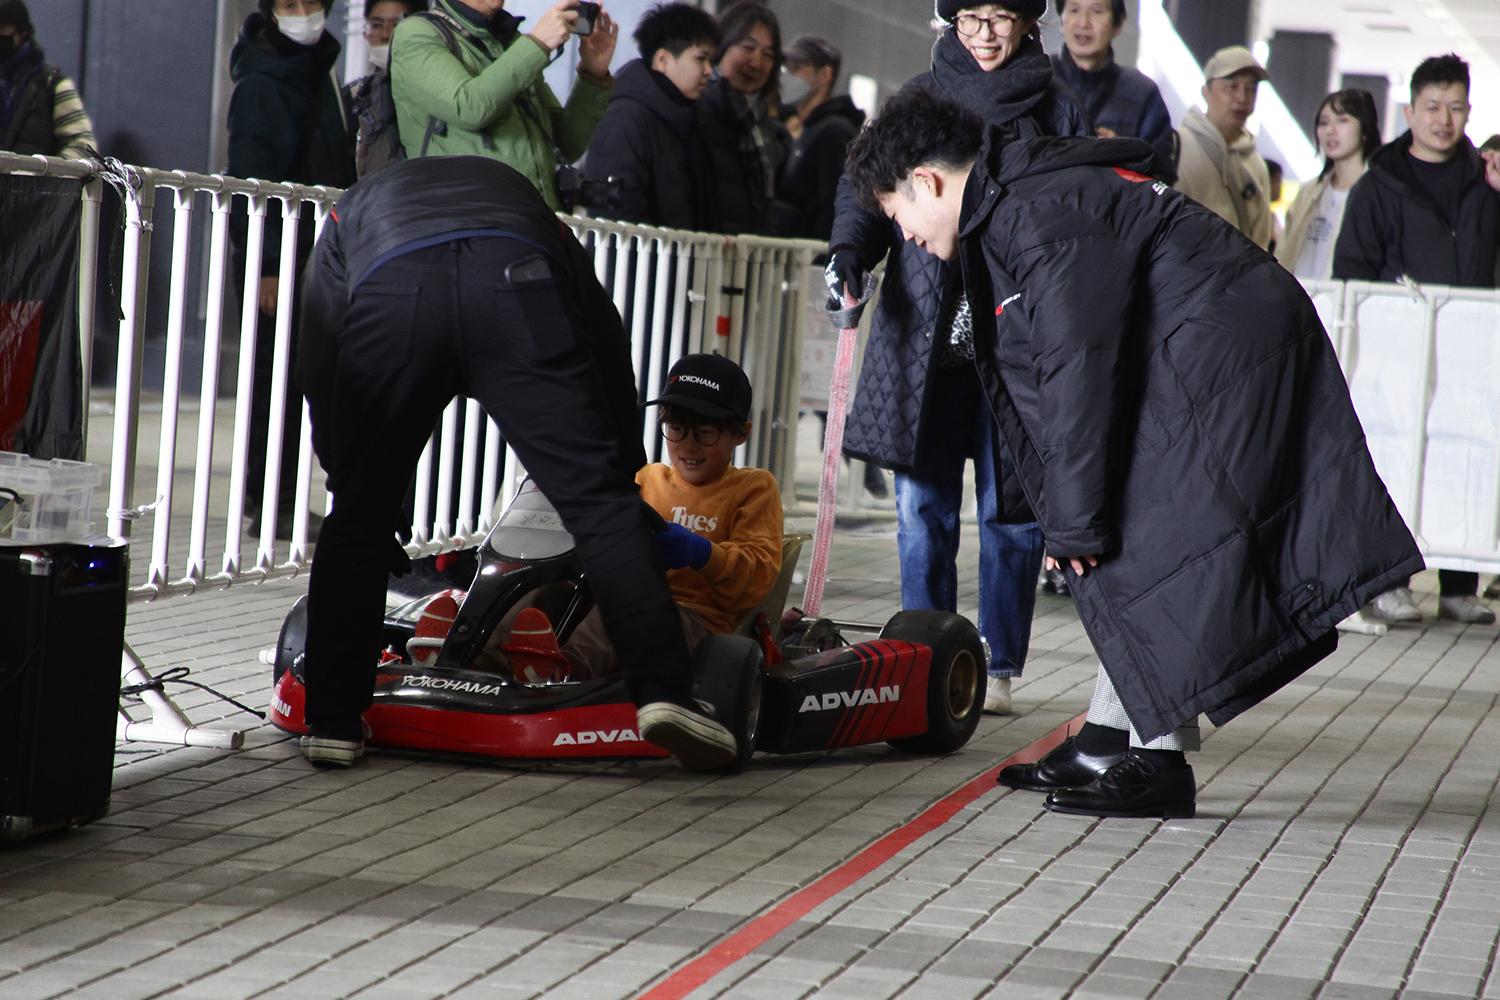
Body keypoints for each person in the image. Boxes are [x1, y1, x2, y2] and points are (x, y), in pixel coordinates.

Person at [843, 87, 1422, 818]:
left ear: (926, 182)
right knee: (1125, 542)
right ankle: (1108, 740)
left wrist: (1073, 519)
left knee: (1136, 542)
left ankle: (1159, 761)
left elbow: (1078, 368)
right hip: (1208, 348)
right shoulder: (1014, 200)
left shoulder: (1033, 213)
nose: (909, 238)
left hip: (1223, 359)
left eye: (898, 218)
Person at [296, 154, 739, 771]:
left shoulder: (354, 208)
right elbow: (602, 333)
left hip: (397, 299)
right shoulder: (523, 200)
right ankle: (664, 692)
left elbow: (319, 347)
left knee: (359, 519)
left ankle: (335, 721)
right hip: (517, 288)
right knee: (599, 507)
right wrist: (620, 476)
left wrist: (348, 474)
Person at [828, 0, 1090, 717]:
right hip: (926, 341)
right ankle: (924, 652)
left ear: (1030, 22)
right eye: (968, 17)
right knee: (922, 506)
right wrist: (849, 256)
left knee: (1013, 511)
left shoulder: (1058, 108)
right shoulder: (918, 97)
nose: (982, 34)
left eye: (999, 17)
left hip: (1013, 343)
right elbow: (866, 190)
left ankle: (996, 666)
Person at [473, 354, 784, 679]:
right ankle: (476, 658)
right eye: (676, 429)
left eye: (705, 433)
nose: (688, 446)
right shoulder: (646, 478)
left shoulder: (753, 487)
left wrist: (700, 553)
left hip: (691, 618)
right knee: (551, 590)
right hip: (620, 593)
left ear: (741, 433)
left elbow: (757, 578)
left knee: (631, 614)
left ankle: (558, 674)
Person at [1334, 54, 1500, 626]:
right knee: (1396, 458)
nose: (1444, 120)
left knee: (1467, 455)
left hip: (1472, 356)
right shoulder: (1380, 185)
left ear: (1469, 111)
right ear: (1411, 110)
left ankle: (1459, 586)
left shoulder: (1486, 182)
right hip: (1396, 354)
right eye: (1433, 107)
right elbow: (1350, 271)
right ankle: (1392, 581)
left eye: (1455, 107)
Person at [228, 0, 356, 541]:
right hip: (281, 263)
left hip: (317, 257)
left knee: (299, 380)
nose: (302, 14)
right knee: (273, 381)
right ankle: (271, 504)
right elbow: (253, 186)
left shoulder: (317, 70)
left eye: (311, 4)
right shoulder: (264, 81)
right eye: (288, 4)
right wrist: (269, 268)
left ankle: (282, 502)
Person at [390, 0, 618, 211]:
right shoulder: (417, 33)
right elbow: (467, 107)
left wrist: (593, 74)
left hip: (535, 227)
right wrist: (537, 44)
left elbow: (562, 145)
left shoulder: (510, 42)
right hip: (467, 230)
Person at [583, 2, 720, 229]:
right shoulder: (624, 119)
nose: (708, 70)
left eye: (711, 61)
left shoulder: (692, 119)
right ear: (663, 60)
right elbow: (611, 216)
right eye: (700, 58)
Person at [700, 1, 789, 235]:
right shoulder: (697, 109)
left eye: (768, 55)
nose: (756, 63)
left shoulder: (763, 126)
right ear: (722, 45)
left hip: (746, 259)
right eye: (748, 48)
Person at [1049, 0, 1172, 168]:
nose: (1083, 23)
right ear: (1061, 20)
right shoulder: (1039, 79)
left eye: (1097, 11)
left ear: (1118, 23)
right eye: (1074, 10)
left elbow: (1163, 174)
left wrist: (1123, 155)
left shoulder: (1142, 92)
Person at [1174, 45, 1273, 250]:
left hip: (1238, 277)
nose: (1242, 98)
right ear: (1206, 92)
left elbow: (1260, 238)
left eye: (1251, 89)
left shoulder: (1256, 165)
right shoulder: (1177, 147)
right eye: (1231, 86)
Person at [1277, 89, 1380, 281]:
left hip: (1343, 304)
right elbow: (1283, 253)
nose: (1330, 130)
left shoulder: (1378, 194)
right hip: (1298, 302)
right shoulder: (1309, 192)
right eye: (1323, 122)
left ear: (1365, 128)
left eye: (1342, 120)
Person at [776, 35, 865, 241]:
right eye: (785, 68)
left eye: (796, 68)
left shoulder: (833, 131)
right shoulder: (807, 129)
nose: (786, 76)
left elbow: (834, 205)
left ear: (824, 76)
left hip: (810, 260)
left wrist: (818, 262)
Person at [344, 0, 428, 179]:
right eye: (376, 25)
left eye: (396, 25)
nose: (385, 34)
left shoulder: (437, 93)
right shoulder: (353, 98)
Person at [0, 1, 94, 159]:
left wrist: (49, 179)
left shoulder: (51, 83)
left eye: (2, 28)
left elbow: (81, 144)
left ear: (22, 31)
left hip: (30, 182)